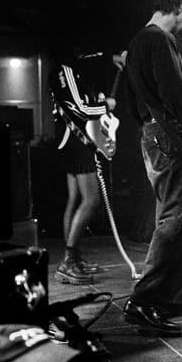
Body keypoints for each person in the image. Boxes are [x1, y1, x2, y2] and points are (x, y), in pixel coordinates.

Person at [121, 0, 182, 337]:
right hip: (167, 135)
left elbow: (132, 99)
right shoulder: (160, 40)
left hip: (151, 133)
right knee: (175, 215)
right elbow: (175, 93)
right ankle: (143, 300)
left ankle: (171, 297)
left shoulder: (136, 42)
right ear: (178, 7)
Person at [48, 48, 111, 283]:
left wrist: (111, 57)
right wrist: (106, 106)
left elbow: (91, 57)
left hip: (69, 140)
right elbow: (78, 108)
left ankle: (74, 258)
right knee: (91, 199)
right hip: (75, 140)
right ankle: (68, 261)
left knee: (75, 200)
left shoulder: (65, 69)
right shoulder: (65, 70)